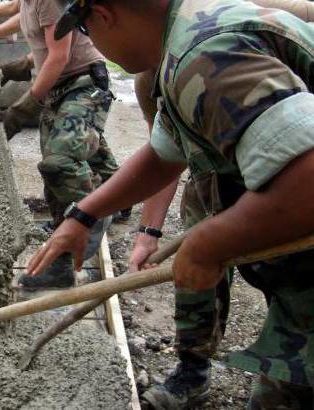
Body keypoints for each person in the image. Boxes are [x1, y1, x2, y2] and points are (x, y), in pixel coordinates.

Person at [27, 0, 314, 407]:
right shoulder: (181, 41)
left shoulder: (208, 53)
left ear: (104, 14)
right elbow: (166, 152)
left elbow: (307, 179)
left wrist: (206, 245)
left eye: (87, 32)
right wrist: (85, 213)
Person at [125, 1, 314, 407]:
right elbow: (165, 156)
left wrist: (215, 241)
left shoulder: (229, 29)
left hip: (288, 168)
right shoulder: (152, 70)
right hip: (217, 171)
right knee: (193, 265)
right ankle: (192, 372)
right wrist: (148, 233)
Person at [0, 0, 120, 289]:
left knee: (60, 162)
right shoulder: (31, 1)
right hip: (59, 88)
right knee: (64, 173)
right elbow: (17, 13)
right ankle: (68, 252)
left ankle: (87, 224)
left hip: (82, 84)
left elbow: (58, 56)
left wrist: (22, 109)